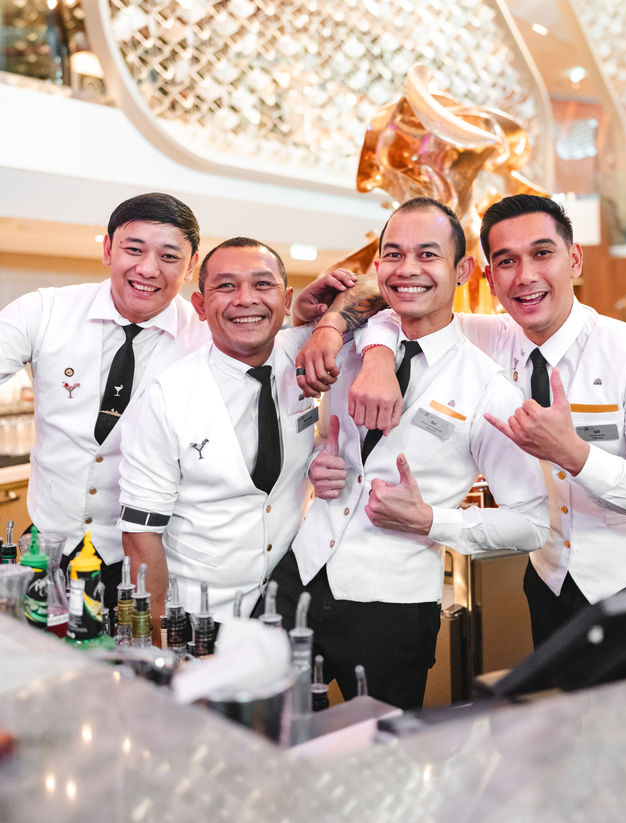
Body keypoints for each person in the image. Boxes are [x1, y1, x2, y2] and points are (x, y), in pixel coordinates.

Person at [347, 194, 626, 646]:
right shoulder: (486, 337)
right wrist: (376, 356)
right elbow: (391, 304)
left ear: (574, 260)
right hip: (549, 583)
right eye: (506, 261)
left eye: (542, 254)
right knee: (559, 713)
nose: (525, 277)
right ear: (488, 277)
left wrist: (574, 454)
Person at [263, 198, 548, 709]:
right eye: (393, 254)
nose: (408, 269)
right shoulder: (350, 346)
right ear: (378, 268)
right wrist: (315, 469)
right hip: (299, 576)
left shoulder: (489, 390)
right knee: (277, 737)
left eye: (427, 255)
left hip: (391, 607)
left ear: (461, 270)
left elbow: (532, 524)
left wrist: (430, 520)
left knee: (380, 762)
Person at [118, 239, 357, 638]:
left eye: (263, 285)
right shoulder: (166, 397)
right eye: (226, 287)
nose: (245, 300)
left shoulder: (304, 352)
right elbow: (140, 537)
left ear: (287, 299)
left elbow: (377, 288)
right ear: (199, 306)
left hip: (288, 605)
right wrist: (163, 643)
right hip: (198, 615)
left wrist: (330, 326)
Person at [0, 193, 206, 608]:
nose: (147, 269)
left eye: (169, 256)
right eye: (134, 249)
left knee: (128, 668)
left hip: (145, 558)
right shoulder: (45, 310)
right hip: (47, 547)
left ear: (191, 266)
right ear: (109, 249)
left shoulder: (205, 338)